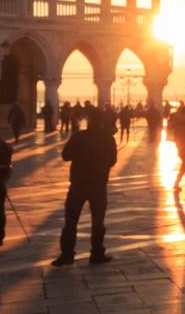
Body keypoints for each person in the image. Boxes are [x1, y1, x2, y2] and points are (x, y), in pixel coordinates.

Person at [52, 107, 117, 266]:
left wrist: (81, 156)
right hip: (98, 185)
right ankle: (96, 254)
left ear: (88, 120)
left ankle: (67, 254)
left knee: (71, 221)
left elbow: (66, 156)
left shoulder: (79, 137)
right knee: (98, 222)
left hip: (78, 184)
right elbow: (112, 160)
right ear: (101, 120)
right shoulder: (107, 138)